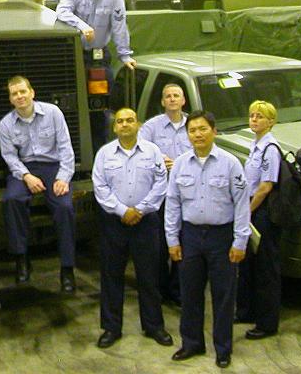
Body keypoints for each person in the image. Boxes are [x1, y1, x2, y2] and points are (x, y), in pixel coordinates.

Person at [165, 110, 250, 369]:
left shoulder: (230, 163)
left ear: (213, 131)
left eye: (203, 129)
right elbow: (173, 203)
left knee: (223, 296)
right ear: (188, 134)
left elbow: (242, 205)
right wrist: (172, 239)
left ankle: (223, 349)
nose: (198, 134)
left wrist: (240, 242)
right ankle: (191, 343)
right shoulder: (180, 163)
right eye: (192, 130)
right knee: (190, 293)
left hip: (221, 237)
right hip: (190, 236)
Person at [92, 108, 173, 350]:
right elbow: (100, 187)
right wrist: (122, 211)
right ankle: (111, 327)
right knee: (111, 276)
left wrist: (140, 209)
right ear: (115, 127)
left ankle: (154, 326)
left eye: (129, 120)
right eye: (120, 121)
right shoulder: (104, 154)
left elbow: (161, 182)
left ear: (138, 124)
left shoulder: (152, 151)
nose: (125, 124)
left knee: (149, 276)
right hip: (113, 223)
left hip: (146, 221)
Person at [0, 75, 76, 292]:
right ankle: (21, 260)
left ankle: (67, 268)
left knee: (65, 207)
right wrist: (26, 176)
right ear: (11, 99)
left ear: (32, 93)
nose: (20, 96)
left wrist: (63, 177)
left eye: (23, 91)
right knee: (11, 200)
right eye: (14, 94)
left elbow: (66, 148)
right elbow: (10, 157)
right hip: (25, 169)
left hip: (53, 168)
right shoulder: (6, 124)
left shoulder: (53, 113)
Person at [56, 0, 135, 153]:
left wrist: (125, 55)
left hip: (98, 58)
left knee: (99, 107)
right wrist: (82, 26)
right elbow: (61, 11)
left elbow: (119, 27)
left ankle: (100, 152)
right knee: (69, 103)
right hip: (72, 56)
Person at [139, 83, 192, 305]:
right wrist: (157, 157)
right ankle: (160, 289)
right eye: (167, 96)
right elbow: (138, 147)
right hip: (160, 194)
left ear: (183, 101)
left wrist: (180, 161)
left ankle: (178, 289)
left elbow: (204, 148)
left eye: (176, 95)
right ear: (162, 102)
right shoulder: (152, 127)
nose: (171, 99)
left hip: (187, 192)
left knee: (184, 240)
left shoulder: (194, 124)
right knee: (159, 243)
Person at [236, 100, 281, 340]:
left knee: (265, 270)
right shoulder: (256, 145)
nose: (254, 119)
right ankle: (246, 311)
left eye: (260, 117)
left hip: (261, 212)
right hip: (251, 207)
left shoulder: (270, 149)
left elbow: (265, 187)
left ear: (271, 122)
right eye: (252, 115)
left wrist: (247, 212)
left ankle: (267, 322)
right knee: (248, 266)